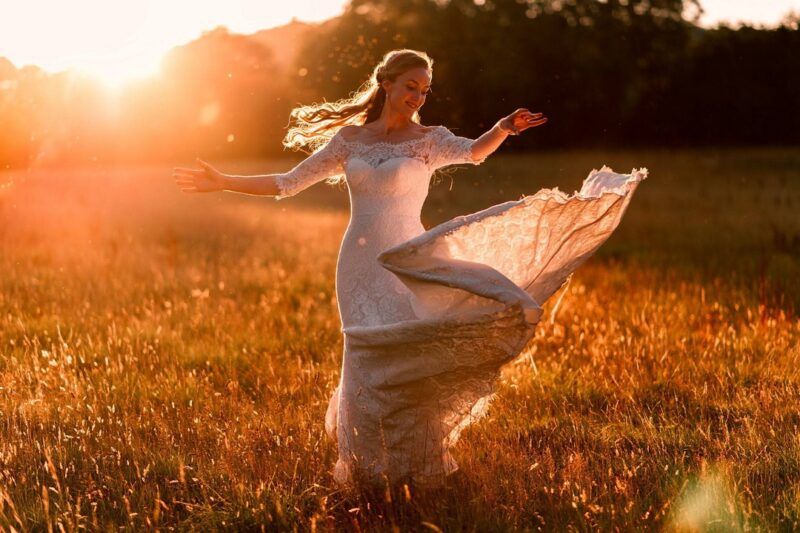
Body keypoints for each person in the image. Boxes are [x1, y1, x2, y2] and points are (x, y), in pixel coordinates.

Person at [173, 49, 645, 487]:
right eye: (411, 86)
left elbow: (473, 152)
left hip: (407, 257)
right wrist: (223, 182)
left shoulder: (429, 140)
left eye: (425, 89)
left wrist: (503, 127)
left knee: (408, 347)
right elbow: (287, 183)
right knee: (364, 353)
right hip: (358, 262)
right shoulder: (349, 140)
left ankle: (416, 460)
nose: (418, 96)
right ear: (386, 82)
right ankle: (364, 467)